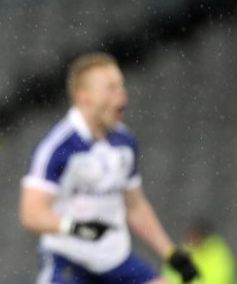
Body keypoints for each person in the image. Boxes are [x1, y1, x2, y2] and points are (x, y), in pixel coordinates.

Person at [19, 52, 198, 284]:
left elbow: (134, 206)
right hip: (69, 261)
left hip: (116, 261)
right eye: (111, 88)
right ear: (84, 96)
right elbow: (31, 213)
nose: (121, 96)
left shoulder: (125, 142)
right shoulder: (58, 146)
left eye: (121, 87)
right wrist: (75, 227)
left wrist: (171, 254)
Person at [162, 219, 235, 284]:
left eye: (196, 236)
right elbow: (169, 275)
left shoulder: (217, 253)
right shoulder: (183, 252)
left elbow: (221, 277)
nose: (193, 239)